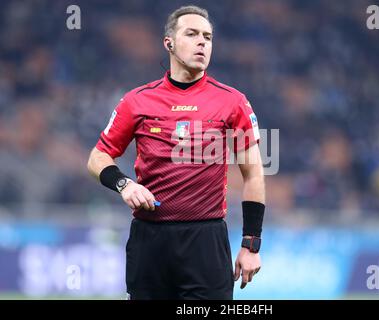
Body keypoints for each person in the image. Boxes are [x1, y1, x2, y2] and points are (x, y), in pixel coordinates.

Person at [87, 5, 265, 300]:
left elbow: (254, 173)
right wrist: (124, 184)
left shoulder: (232, 102)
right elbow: (97, 157)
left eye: (207, 36)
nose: (202, 42)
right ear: (169, 43)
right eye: (192, 34)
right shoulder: (137, 101)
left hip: (206, 241)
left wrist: (251, 244)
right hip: (150, 240)